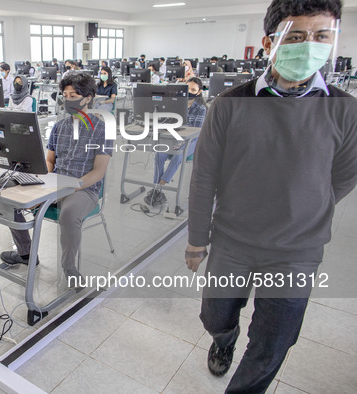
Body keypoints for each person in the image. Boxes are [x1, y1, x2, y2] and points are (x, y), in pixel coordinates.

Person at [185, 0, 357, 393]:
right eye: (296, 36)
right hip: (233, 240)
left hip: (298, 250)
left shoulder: (346, 111)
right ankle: (224, 340)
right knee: (215, 314)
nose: (308, 45)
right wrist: (197, 241)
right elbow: (204, 178)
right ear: (269, 42)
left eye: (321, 36)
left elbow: (345, 175)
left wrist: (304, 201)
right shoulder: (229, 105)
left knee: (273, 341)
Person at [0, 73, 112, 282]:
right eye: (65, 95)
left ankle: (69, 269)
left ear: (88, 97)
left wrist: (73, 186)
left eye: (74, 95)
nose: (68, 99)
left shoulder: (101, 129)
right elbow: (50, 160)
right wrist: (45, 177)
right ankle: (26, 254)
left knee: (68, 215)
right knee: (10, 201)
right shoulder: (59, 127)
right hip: (56, 182)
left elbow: (99, 172)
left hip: (84, 188)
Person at [144, 77, 206, 206]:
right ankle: (157, 191)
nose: (190, 92)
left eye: (193, 90)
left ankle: (158, 187)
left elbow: (196, 131)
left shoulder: (201, 108)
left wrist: (182, 142)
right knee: (160, 154)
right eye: (187, 88)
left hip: (191, 141)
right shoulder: (176, 103)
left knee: (178, 156)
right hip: (174, 138)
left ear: (199, 92)